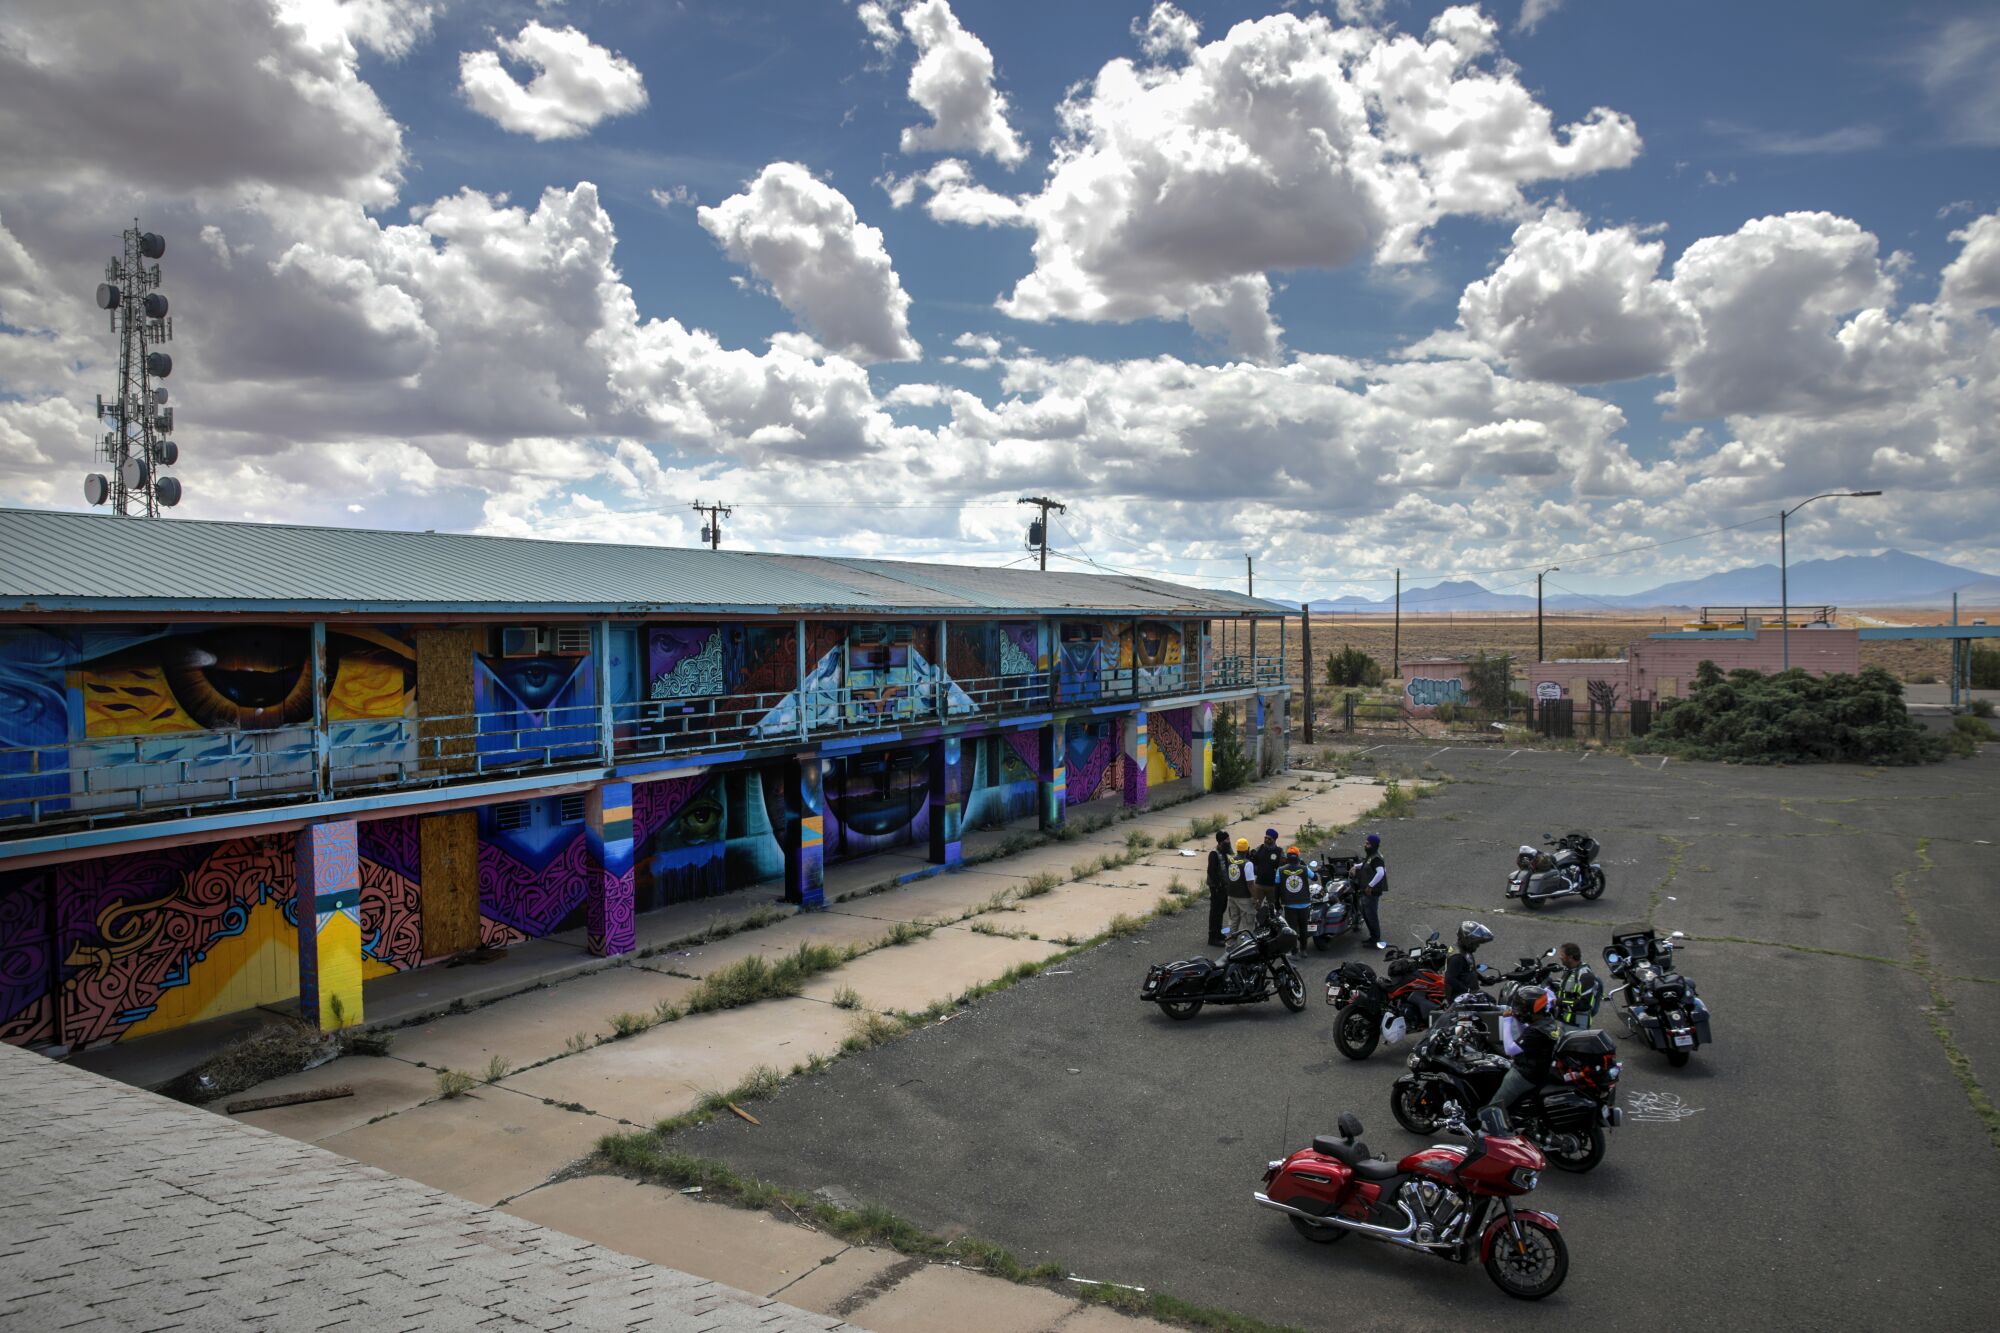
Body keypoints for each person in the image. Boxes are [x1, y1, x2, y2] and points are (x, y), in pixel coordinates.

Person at [1486, 985, 1559, 1116]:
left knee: (1493, 1108)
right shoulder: (1548, 1021)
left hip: (1525, 1074)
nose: (1519, 1010)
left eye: (1521, 1007)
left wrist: (1507, 1020)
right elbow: (1527, 1038)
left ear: (1531, 1008)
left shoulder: (1535, 1031)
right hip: (1541, 1072)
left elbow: (1510, 1050)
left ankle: (1485, 1131)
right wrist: (1518, 1021)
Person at [1552, 941, 1604, 1028]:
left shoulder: (1585, 976)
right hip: (1565, 1022)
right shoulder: (1570, 970)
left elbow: (1585, 1004)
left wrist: (1559, 1001)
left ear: (1570, 957)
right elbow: (1568, 992)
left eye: (1562, 955)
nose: (1560, 957)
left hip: (1577, 1026)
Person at [1444, 920, 1494, 998]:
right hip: (1461, 999)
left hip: (1470, 993)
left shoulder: (1465, 950)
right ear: (1467, 940)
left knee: (1491, 1000)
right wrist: (1468, 992)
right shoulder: (1457, 957)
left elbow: (1469, 970)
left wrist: (1483, 979)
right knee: (1494, 1006)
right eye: (1475, 943)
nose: (1477, 946)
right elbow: (1450, 978)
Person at [1355, 832, 1388, 950]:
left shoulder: (1376, 858)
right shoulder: (1371, 855)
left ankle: (1376, 939)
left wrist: (1370, 885)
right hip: (1366, 890)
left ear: (1373, 845)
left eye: (1368, 844)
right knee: (1365, 913)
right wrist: (1355, 867)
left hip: (1372, 892)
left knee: (1371, 915)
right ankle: (1373, 937)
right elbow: (1366, 864)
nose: (1365, 845)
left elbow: (1381, 873)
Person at [1278, 846, 1313, 949]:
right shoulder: (1304, 868)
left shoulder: (1281, 870)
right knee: (1303, 928)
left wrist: (1277, 901)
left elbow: (1276, 884)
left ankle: (1294, 952)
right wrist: (1305, 866)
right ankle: (1304, 950)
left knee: (1292, 929)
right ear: (1298, 856)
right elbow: (1315, 877)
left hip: (1289, 905)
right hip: (1304, 904)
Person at [1204, 829, 1233, 947]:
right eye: (1227, 839)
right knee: (1215, 912)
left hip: (1224, 887)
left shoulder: (1225, 852)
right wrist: (1217, 885)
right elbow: (1211, 871)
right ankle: (1212, 937)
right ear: (1221, 841)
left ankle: (1219, 933)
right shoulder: (1214, 854)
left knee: (1221, 910)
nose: (1229, 841)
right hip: (1217, 888)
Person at [1223, 836, 1253, 939]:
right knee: (1247, 923)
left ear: (1237, 849)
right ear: (1247, 849)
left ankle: (1230, 946)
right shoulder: (1248, 864)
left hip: (1231, 895)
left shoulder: (1230, 861)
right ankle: (1248, 946)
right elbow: (1250, 884)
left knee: (1233, 921)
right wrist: (1255, 898)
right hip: (1244, 897)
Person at [1249, 828, 1284, 913]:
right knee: (1255, 908)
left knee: (1272, 909)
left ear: (1274, 840)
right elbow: (1251, 859)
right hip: (1259, 884)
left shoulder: (1279, 851)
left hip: (1272, 886)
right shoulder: (1260, 848)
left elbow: (1283, 867)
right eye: (1265, 838)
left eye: (1269, 839)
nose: (1266, 840)